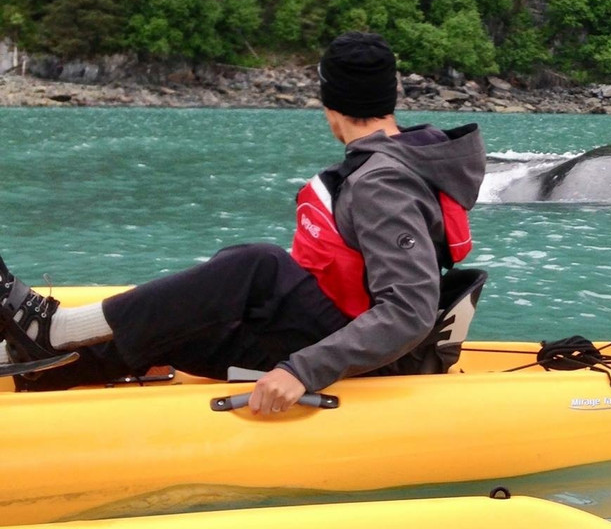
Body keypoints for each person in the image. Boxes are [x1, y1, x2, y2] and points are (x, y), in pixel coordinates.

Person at [0, 31, 486, 412]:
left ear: (329, 102)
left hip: (369, 360)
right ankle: (44, 369)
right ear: (388, 98)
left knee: (256, 266)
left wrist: (303, 370)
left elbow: (410, 310)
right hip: (333, 327)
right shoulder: (387, 161)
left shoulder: (384, 182)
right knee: (204, 304)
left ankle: (58, 330)